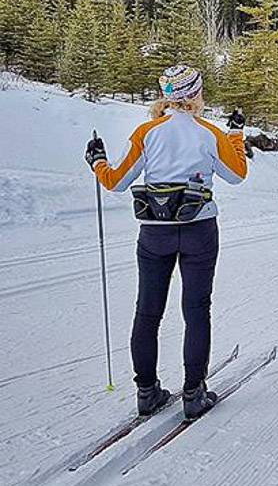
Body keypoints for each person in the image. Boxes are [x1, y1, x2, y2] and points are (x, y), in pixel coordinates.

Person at [84, 64, 248, 419]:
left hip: (154, 231)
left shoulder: (147, 132)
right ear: (195, 94)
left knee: (147, 310)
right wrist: (236, 134)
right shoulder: (209, 133)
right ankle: (194, 394)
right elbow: (237, 174)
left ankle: (147, 392)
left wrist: (97, 161)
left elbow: (115, 181)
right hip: (198, 230)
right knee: (196, 309)